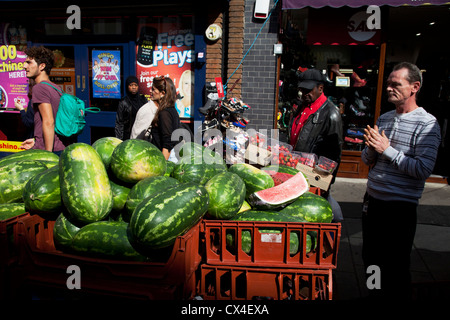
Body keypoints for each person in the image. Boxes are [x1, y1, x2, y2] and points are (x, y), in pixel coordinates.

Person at [361, 62, 441, 300]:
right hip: (372, 202)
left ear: (414, 87)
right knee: (371, 259)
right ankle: (373, 295)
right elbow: (367, 160)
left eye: (395, 84)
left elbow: (423, 170)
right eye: (388, 83)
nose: (388, 88)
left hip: (399, 208)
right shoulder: (384, 118)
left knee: (395, 266)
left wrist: (387, 150)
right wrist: (373, 149)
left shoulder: (427, 124)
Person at [287, 68, 344, 221]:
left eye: (308, 89)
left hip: (312, 178)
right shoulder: (302, 107)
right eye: (301, 89)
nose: (304, 93)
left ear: (320, 88)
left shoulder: (332, 114)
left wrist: (323, 182)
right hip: (296, 172)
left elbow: (334, 155)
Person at [20, 46, 69, 155]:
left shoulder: (39, 88)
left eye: (29, 62)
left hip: (49, 150)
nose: (24, 66)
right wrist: (35, 141)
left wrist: (48, 154)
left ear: (42, 66)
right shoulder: (56, 88)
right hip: (60, 147)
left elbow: (49, 121)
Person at [149, 76, 180, 160]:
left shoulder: (165, 113)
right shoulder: (170, 110)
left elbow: (168, 142)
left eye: (153, 89)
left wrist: (163, 165)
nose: (151, 91)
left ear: (162, 93)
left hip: (166, 157)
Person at [115, 75, 148, 140]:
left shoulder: (143, 100)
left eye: (135, 85)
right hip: (128, 135)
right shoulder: (123, 102)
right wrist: (119, 140)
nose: (133, 87)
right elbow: (119, 123)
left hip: (141, 134)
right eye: (131, 85)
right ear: (127, 87)